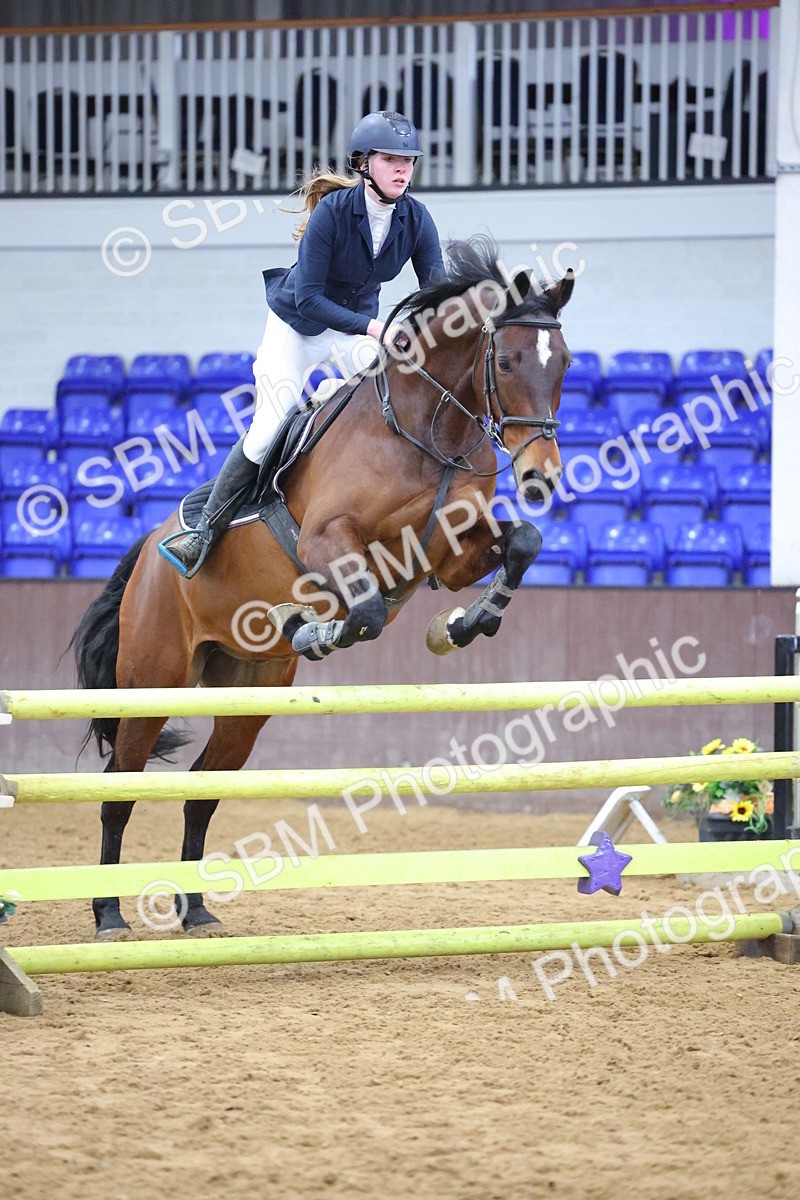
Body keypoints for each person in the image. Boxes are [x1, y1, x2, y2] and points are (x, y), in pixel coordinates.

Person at [160, 110, 444, 578]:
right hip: (297, 326)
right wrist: (376, 329)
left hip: (352, 330)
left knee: (403, 395)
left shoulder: (415, 218)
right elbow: (310, 300)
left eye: (408, 160)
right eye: (391, 158)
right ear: (363, 163)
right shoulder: (333, 214)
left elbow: (437, 290)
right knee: (269, 425)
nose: (402, 169)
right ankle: (204, 530)